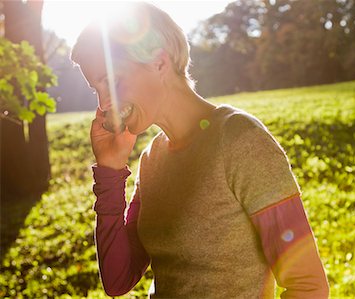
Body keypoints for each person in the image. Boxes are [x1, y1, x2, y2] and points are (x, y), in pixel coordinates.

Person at [71, 2, 329, 298]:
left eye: (112, 81)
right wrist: (110, 171)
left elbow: (308, 285)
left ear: (159, 63)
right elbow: (118, 279)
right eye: (96, 90)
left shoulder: (241, 140)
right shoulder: (153, 159)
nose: (104, 103)